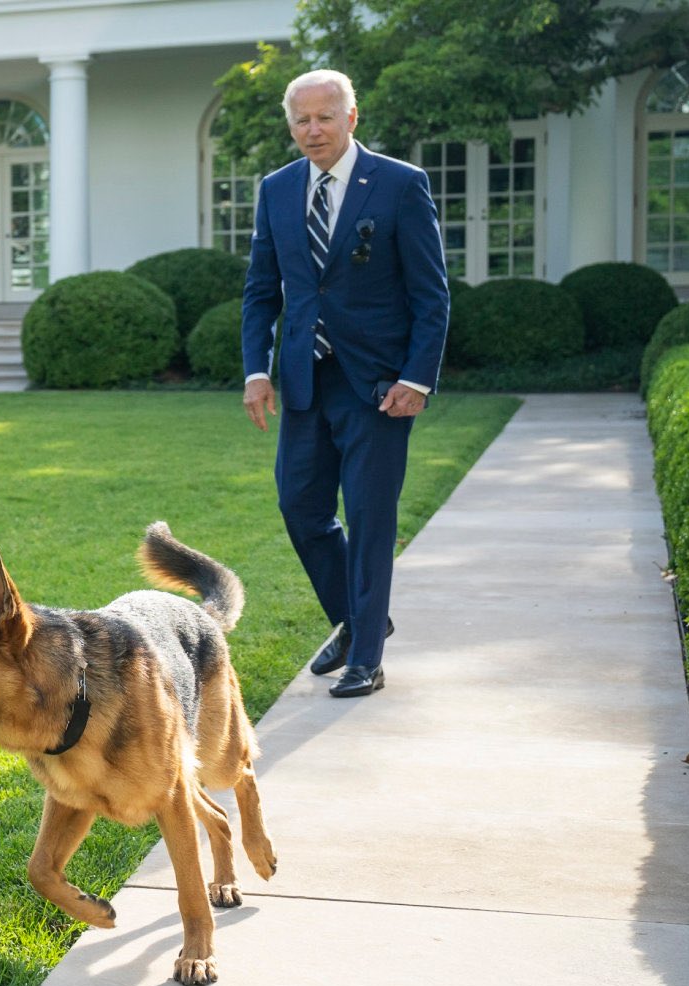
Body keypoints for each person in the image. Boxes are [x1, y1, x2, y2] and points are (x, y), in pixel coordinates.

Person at [241, 69, 449, 698]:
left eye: (324, 117)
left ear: (351, 117)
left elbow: (431, 294)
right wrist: (257, 370)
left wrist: (417, 377)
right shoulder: (276, 189)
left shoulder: (399, 184)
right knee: (300, 509)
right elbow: (261, 291)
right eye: (300, 119)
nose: (312, 130)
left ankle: (366, 657)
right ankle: (363, 620)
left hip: (380, 387)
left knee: (368, 516)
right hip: (305, 380)